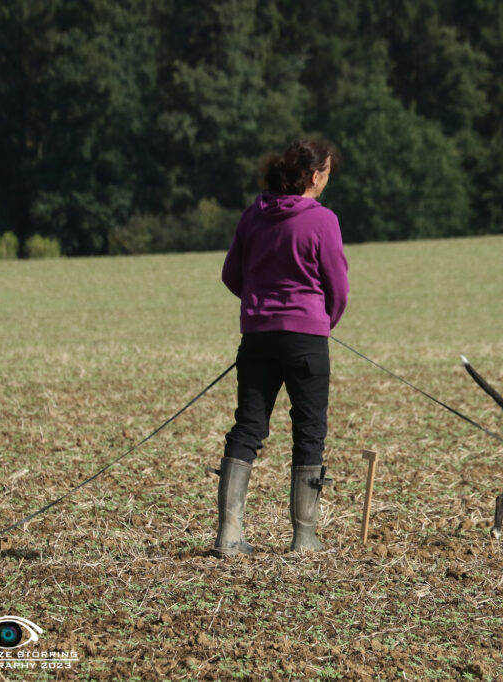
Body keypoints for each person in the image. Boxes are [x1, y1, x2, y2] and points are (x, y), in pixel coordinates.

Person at [213, 139, 348, 556]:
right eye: (326, 173)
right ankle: (304, 537)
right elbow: (338, 288)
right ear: (312, 176)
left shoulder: (254, 214)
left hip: (256, 336)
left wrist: (261, 306)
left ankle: (228, 533)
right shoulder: (322, 220)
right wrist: (320, 322)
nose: (327, 180)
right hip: (307, 338)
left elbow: (231, 274)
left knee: (247, 428)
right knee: (309, 433)